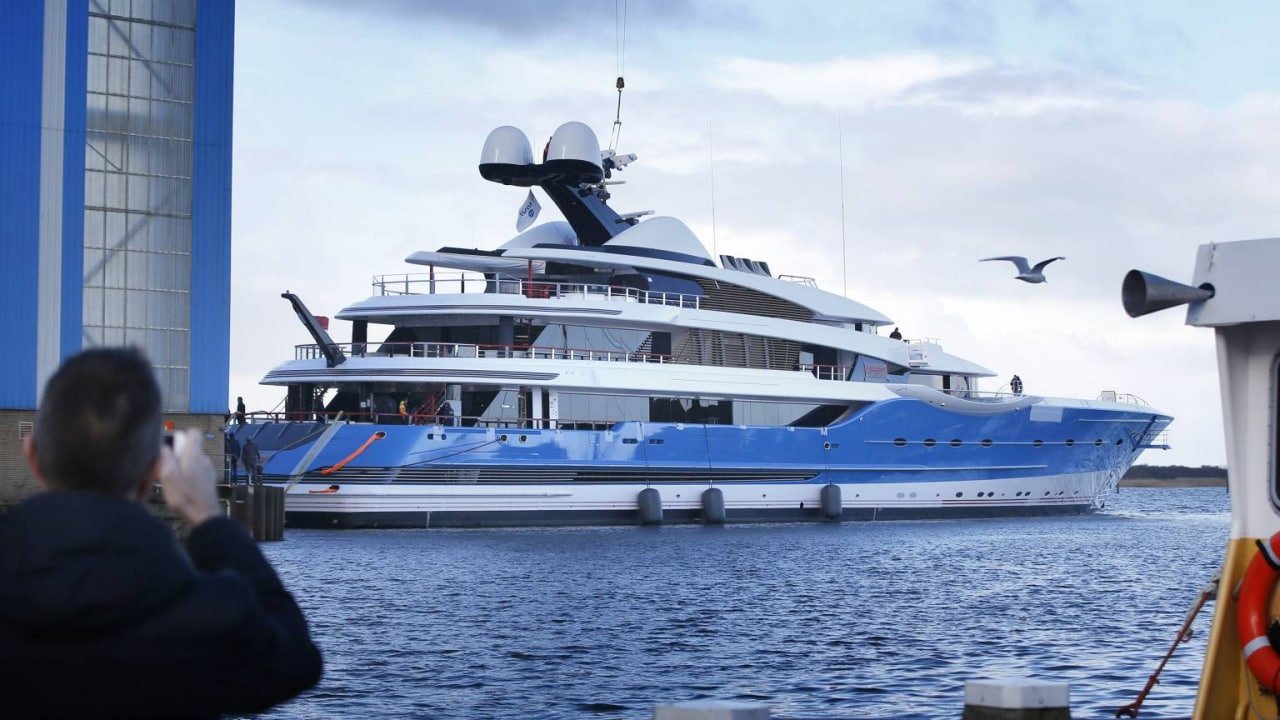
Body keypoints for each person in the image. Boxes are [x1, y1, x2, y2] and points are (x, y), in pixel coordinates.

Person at [0, 348, 321, 718]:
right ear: (155, 468)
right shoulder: (207, 613)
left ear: (32, 454)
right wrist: (209, 518)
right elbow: (295, 660)